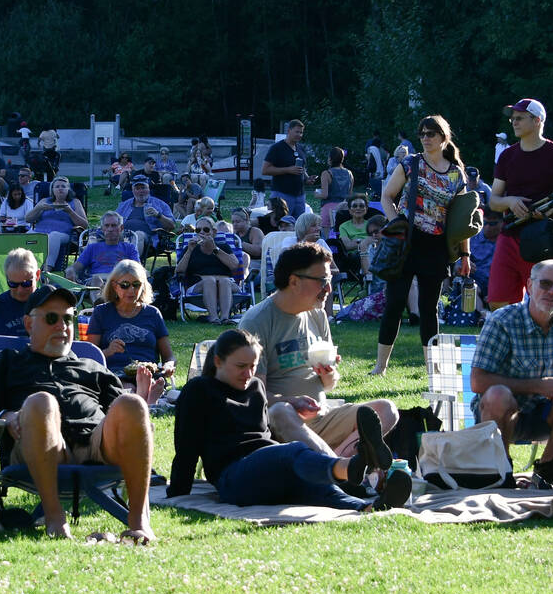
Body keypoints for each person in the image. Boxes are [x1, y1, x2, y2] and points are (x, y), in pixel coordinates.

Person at [0, 284, 156, 544]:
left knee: (132, 404)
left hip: (95, 447)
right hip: (36, 445)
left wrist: (142, 403)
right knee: (41, 402)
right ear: (28, 324)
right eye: (51, 318)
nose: (62, 326)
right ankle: (55, 518)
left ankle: (139, 523)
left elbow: (124, 421)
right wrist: (7, 415)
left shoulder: (93, 367)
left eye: (68, 318)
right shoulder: (6, 362)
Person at [237, 240, 404, 497]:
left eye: (329, 280)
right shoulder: (258, 320)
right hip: (282, 423)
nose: (328, 288)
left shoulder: (317, 315)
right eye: (321, 280)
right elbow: (251, 394)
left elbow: (329, 384)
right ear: (294, 281)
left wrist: (329, 375)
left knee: (385, 410)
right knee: (281, 410)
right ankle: (341, 470)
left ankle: (339, 469)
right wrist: (292, 401)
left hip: (323, 416)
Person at [168, 329, 393, 512]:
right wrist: (178, 494)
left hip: (267, 465)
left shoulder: (256, 387)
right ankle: (347, 468)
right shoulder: (199, 390)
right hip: (233, 477)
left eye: (253, 366)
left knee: (313, 484)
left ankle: (367, 506)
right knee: (292, 452)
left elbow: (264, 435)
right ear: (218, 361)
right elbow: (187, 447)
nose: (248, 374)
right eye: (240, 366)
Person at [467, 259, 553, 488]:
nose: (552, 291)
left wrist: (552, 388)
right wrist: (537, 385)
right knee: (498, 394)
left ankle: (546, 467)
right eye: (545, 284)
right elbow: (477, 382)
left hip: (540, 415)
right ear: (529, 286)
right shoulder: (502, 320)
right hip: (497, 414)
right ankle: (501, 469)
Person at [372, 113, 473, 374]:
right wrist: (396, 223)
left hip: (436, 247)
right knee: (394, 303)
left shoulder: (456, 175)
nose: (426, 138)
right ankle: (380, 366)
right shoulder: (410, 163)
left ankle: (433, 369)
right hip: (406, 243)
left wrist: (465, 255)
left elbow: (462, 220)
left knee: (429, 309)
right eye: (422, 134)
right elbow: (387, 196)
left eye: (431, 134)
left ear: (443, 137)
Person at [487, 98, 553, 307]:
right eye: (513, 118)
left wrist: (551, 210)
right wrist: (510, 201)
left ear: (537, 120)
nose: (514, 122)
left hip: (547, 238)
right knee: (499, 302)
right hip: (511, 235)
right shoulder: (507, 156)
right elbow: (494, 200)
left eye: (520, 118)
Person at [90, 259, 174, 402]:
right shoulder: (101, 313)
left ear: (143, 286)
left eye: (136, 285)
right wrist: (108, 351)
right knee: (126, 386)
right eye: (125, 285)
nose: (131, 290)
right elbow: (90, 358)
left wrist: (168, 366)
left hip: (148, 372)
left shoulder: (152, 314)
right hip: (114, 373)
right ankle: (145, 397)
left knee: (143, 381)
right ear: (114, 286)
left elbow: (169, 356)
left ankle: (142, 394)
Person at [177, 212, 243, 324]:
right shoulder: (191, 248)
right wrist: (189, 251)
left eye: (206, 230)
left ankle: (225, 318)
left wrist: (215, 249)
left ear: (214, 232)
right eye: (198, 230)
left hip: (226, 284)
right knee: (209, 280)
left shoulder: (223, 246)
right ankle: (214, 318)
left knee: (224, 280)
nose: (202, 232)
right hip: (198, 285)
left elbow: (234, 265)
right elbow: (179, 271)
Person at [26, 176, 88, 271]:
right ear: (52, 190)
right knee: (26, 236)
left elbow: (84, 224)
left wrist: (70, 211)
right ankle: (24, 267)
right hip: (40, 233)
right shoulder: (44, 201)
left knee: (53, 236)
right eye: (57, 186)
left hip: (63, 234)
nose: (60, 189)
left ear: (68, 189)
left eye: (63, 186)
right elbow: (28, 219)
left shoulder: (74, 202)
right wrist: (39, 208)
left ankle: (47, 270)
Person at [71, 213, 140, 286]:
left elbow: (137, 268)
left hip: (121, 282)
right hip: (97, 280)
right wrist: (70, 271)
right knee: (96, 280)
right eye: (107, 226)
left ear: (121, 228)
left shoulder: (129, 248)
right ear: (102, 228)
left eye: (114, 225)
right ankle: (99, 297)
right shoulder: (92, 248)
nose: (110, 229)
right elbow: (76, 267)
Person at [261, 119, 310, 220]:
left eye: (301, 132)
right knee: (280, 224)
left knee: (298, 227)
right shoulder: (277, 148)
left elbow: (302, 169)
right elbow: (265, 170)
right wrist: (288, 170)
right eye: (297, 132)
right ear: (288, 131)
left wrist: (307, 178)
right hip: (281, 194)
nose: (299, 135)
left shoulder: (301, 148)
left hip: (300, 196)